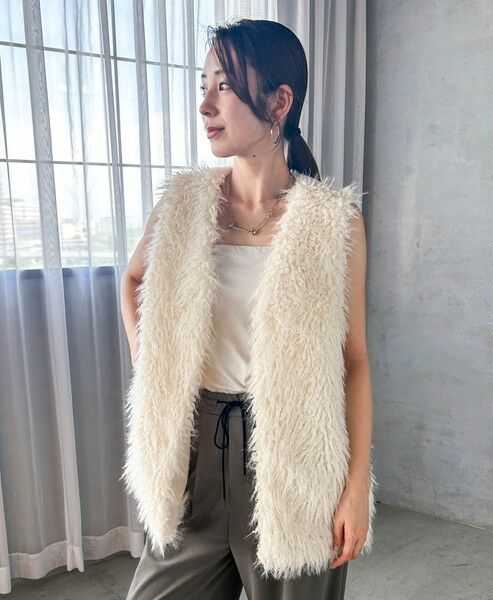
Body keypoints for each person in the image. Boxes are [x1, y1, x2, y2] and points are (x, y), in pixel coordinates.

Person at [121, 18, 376, 600]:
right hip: (196, 457)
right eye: (203, 85)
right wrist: (152, 368)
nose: (205, 104)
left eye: (225, 86)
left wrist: (357, 485)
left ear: (279, 102)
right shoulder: (184, 205)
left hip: (297, 461)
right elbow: (133, 281)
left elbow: (354, 360)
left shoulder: (332, 221)